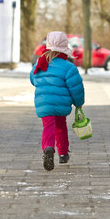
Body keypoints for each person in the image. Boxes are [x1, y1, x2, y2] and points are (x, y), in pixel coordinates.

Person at [30, 31, 85, 171]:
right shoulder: (69, 67)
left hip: (44, 103)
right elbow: (76, 88)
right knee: (60, 127)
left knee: (48, 126)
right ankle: (63, 153)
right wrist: (78, 103)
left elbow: (33, 79)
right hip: (61, 104)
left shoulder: (40, 62)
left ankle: (48, 148)